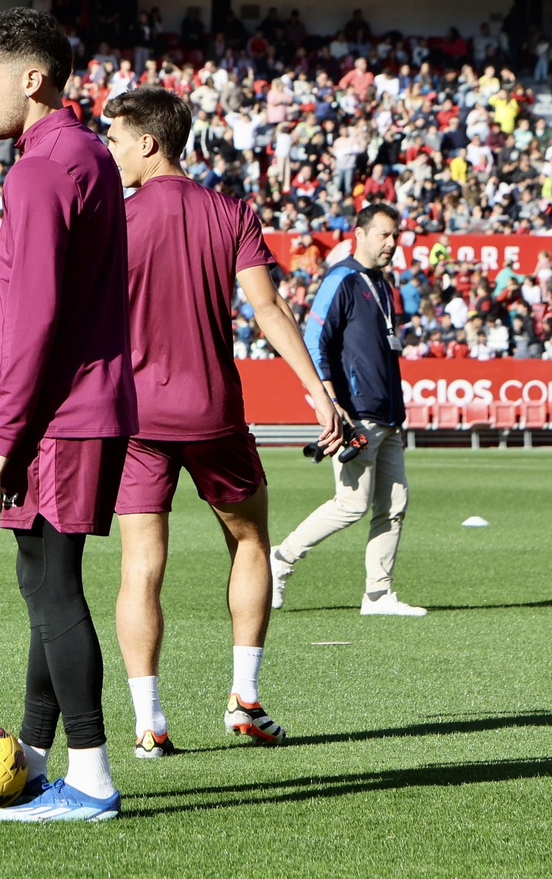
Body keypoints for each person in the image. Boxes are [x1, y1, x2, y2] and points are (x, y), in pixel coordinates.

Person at [101, 87, 341, 760]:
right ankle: (244, 698)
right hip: (213, 415)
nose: (110, 149)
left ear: (149, 141)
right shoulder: (230, 211)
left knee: (141, 567)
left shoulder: (114, 220)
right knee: (251, 542)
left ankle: (149, 723)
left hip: (137, 418)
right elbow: (268, 309)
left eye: (116, 138)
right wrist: (316, 393)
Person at [0, 8, 137, 823]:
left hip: (60, 412)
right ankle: (34, 755)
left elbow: (31, 318)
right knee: (42, 581)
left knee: (54, 586)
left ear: (31, 78)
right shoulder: (88, 153)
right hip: (85, 403)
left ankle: (94, 777)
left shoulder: (38, 170)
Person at [271, 203, 426, 617]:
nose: (393, 243)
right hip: (355, 412)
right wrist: (332, 403)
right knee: (351, 505)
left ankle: (378, 595)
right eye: (385, 235)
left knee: (393, 505)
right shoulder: (341, 279)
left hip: (388, 414)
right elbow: (314, 339)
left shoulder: (381, 284)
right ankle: (280, 560)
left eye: (396, 235)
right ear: (360, 234)